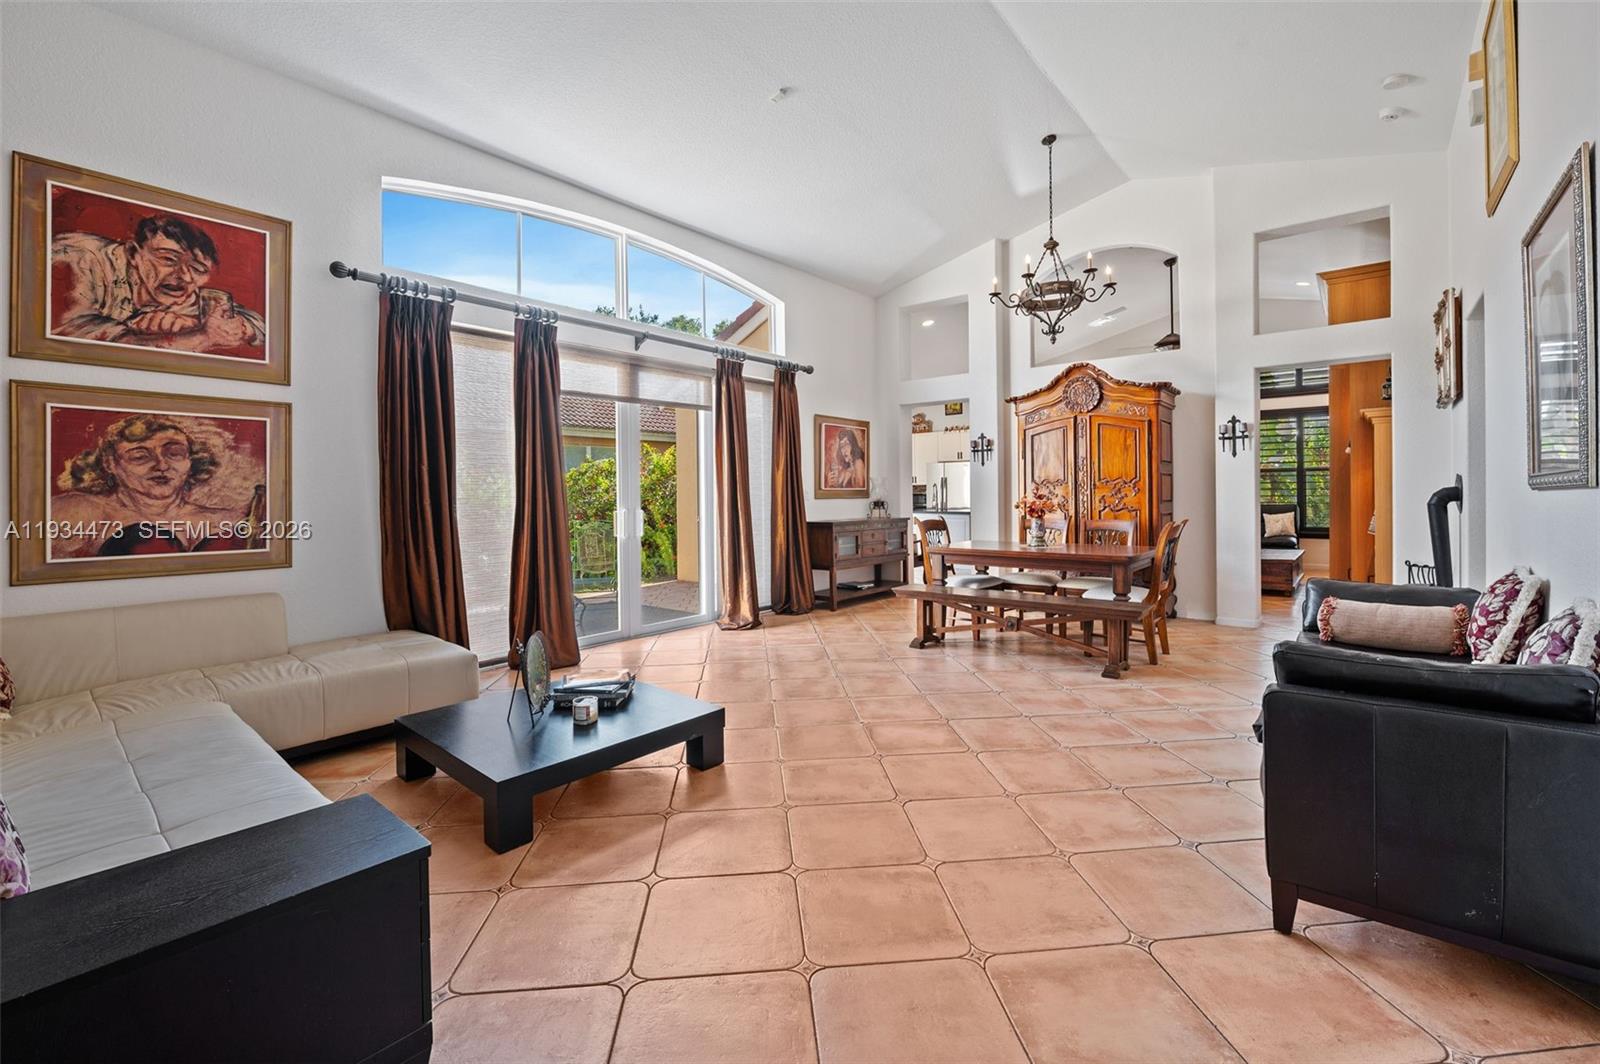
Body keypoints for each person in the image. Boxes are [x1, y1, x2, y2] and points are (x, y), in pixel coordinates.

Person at [49, 413, 262, 558]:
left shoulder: (229, 519)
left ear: (191, 460)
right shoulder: (77, 512)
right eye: (140, 456)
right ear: (110, 463)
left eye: (174, 453)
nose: (161, 466)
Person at [51, 214, 266, 352]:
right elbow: (77, 337)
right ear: (133, 253)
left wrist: (225, 327)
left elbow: (259, 325)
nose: (185, 276)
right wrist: (201, 336)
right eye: (168, 259)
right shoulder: (78, 259)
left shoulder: (182, 291)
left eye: (197, 269)